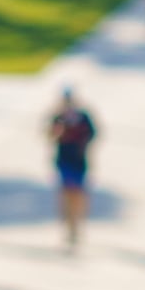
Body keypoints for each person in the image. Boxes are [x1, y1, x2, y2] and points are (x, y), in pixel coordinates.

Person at [46, 84, 98, 253]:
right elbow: (48, 135)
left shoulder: (83, 117)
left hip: (79, 160)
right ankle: (68, 225)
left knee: (78, 194)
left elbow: (93, 134)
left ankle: (77, 223)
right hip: (63, 160)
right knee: (65, 193)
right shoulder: (58, 117)